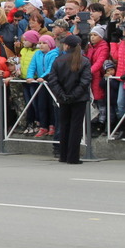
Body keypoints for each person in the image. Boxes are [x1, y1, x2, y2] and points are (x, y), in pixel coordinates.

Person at [46, 35, 92, 164]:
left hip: (63, 98)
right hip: (79, 99)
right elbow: (85, 81)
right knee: (76, 127)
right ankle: (73, 157)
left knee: (64, 125)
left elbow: (53, 81)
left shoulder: (58, 60)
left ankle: (63, 155)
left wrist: (62, 95)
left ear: (66, 46)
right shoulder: (84, 61)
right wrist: (74, 95)